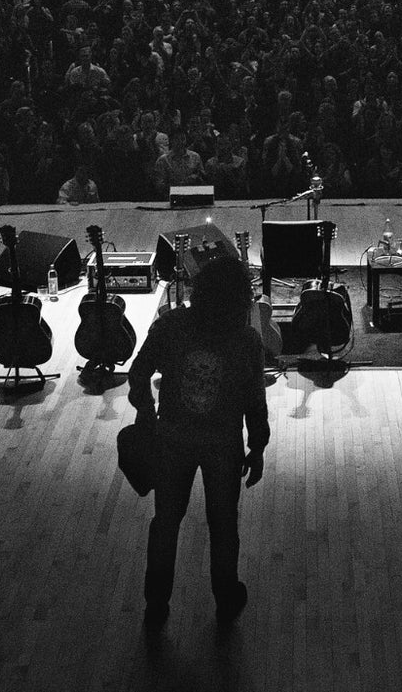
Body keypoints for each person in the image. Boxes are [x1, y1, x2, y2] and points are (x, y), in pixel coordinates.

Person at [128, 257, 268, 632]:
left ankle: (156, 604)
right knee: (223, 526)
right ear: (240, 299)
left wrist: (145, 415)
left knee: (166, 522)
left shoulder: (171, 325)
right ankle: (225, 600)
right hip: (223, 444)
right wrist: (257, 448)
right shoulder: (246, 340)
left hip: (172, 438)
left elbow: (138, 374)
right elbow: (255, 402)